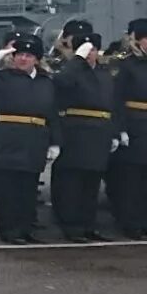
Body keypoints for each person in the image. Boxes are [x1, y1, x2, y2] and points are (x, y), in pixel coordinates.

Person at [0, 35, 60, 244]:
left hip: (35, 139)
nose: (23, 59)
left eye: (28, 55)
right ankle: (9, 230)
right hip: (8, 137)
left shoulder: (46, 82)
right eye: (19, 54)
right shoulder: (1, 77)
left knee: (28, 189)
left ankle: (25, 229)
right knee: (7, 188)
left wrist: (55, 142)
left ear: (37, 59)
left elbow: (52, 113)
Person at [51, 33, 116, 242]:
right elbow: (61, 83)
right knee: (73, 183)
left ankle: (88, 224)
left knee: (91, 183)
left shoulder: (104, 74)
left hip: (100, 134)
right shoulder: (72, 72)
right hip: (76, 132)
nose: (90, 54)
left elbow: (112, 104)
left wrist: (114, 132)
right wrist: (77, 61)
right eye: (85, 50)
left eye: (93, 50)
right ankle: (72, 226)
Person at [113, 19, 147, 240]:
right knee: (133, 180)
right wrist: (121, 128)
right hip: (135, 127)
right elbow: (117, 99)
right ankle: (132, 223)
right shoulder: (128, 65)